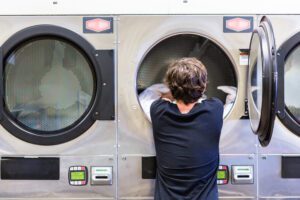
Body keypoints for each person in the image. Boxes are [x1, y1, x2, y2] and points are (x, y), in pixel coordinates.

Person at [150, 57, 224, 200]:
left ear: (170, 87)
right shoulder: (215, 108)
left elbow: (160, 96)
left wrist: (172, 93)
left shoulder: (158, 110)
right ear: (203, 87)